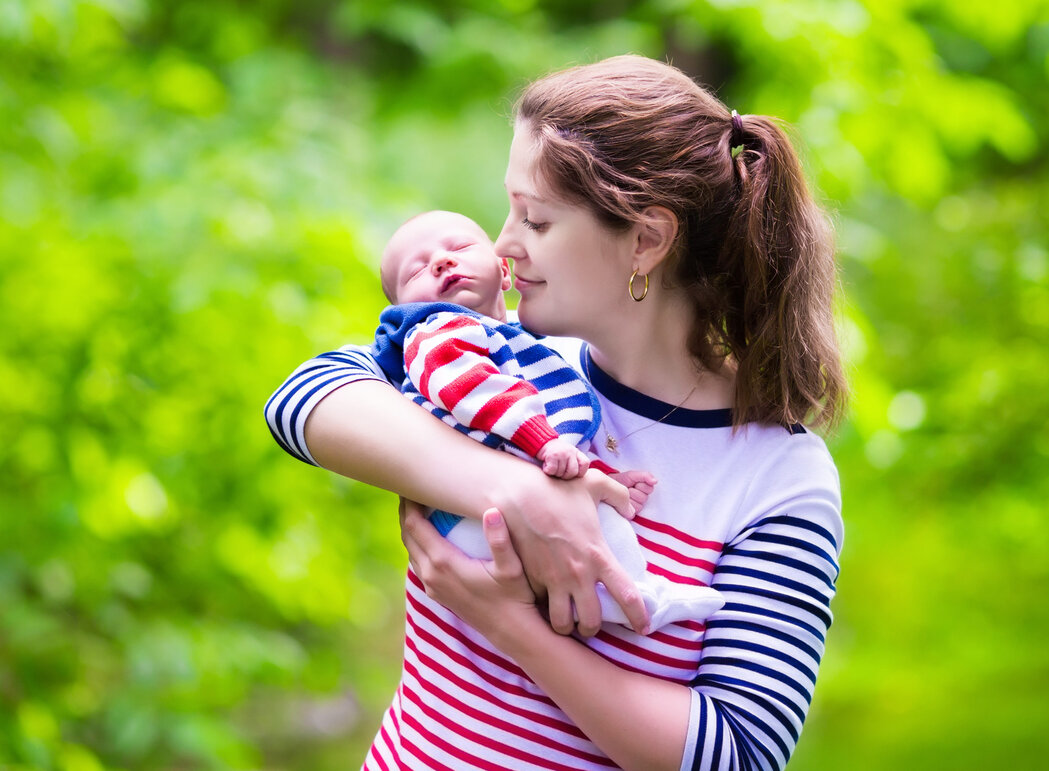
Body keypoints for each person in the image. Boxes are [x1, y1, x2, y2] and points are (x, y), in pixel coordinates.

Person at [265, 54, 846, 771]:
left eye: (535, 220)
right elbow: (301, 399)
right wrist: (516, 490)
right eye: (508, 209)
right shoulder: (513, 366)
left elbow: (738, 754)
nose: (503, 246)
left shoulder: (778, 477)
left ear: (646, 240)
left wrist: (516, 630)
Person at [373, 209, 726, 630]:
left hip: (481, 517)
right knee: (588, 530)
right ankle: (632, 595)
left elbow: (540, 441)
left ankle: (623, 593)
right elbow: (478, 395)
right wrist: (546, 443)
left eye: (460, 248)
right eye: (416, 271)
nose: (441, 262)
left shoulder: (518, 344)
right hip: (470, 519)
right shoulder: (437, 335)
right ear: (401, 309)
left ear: (503, 273)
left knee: (591, 520)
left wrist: (601, 475)